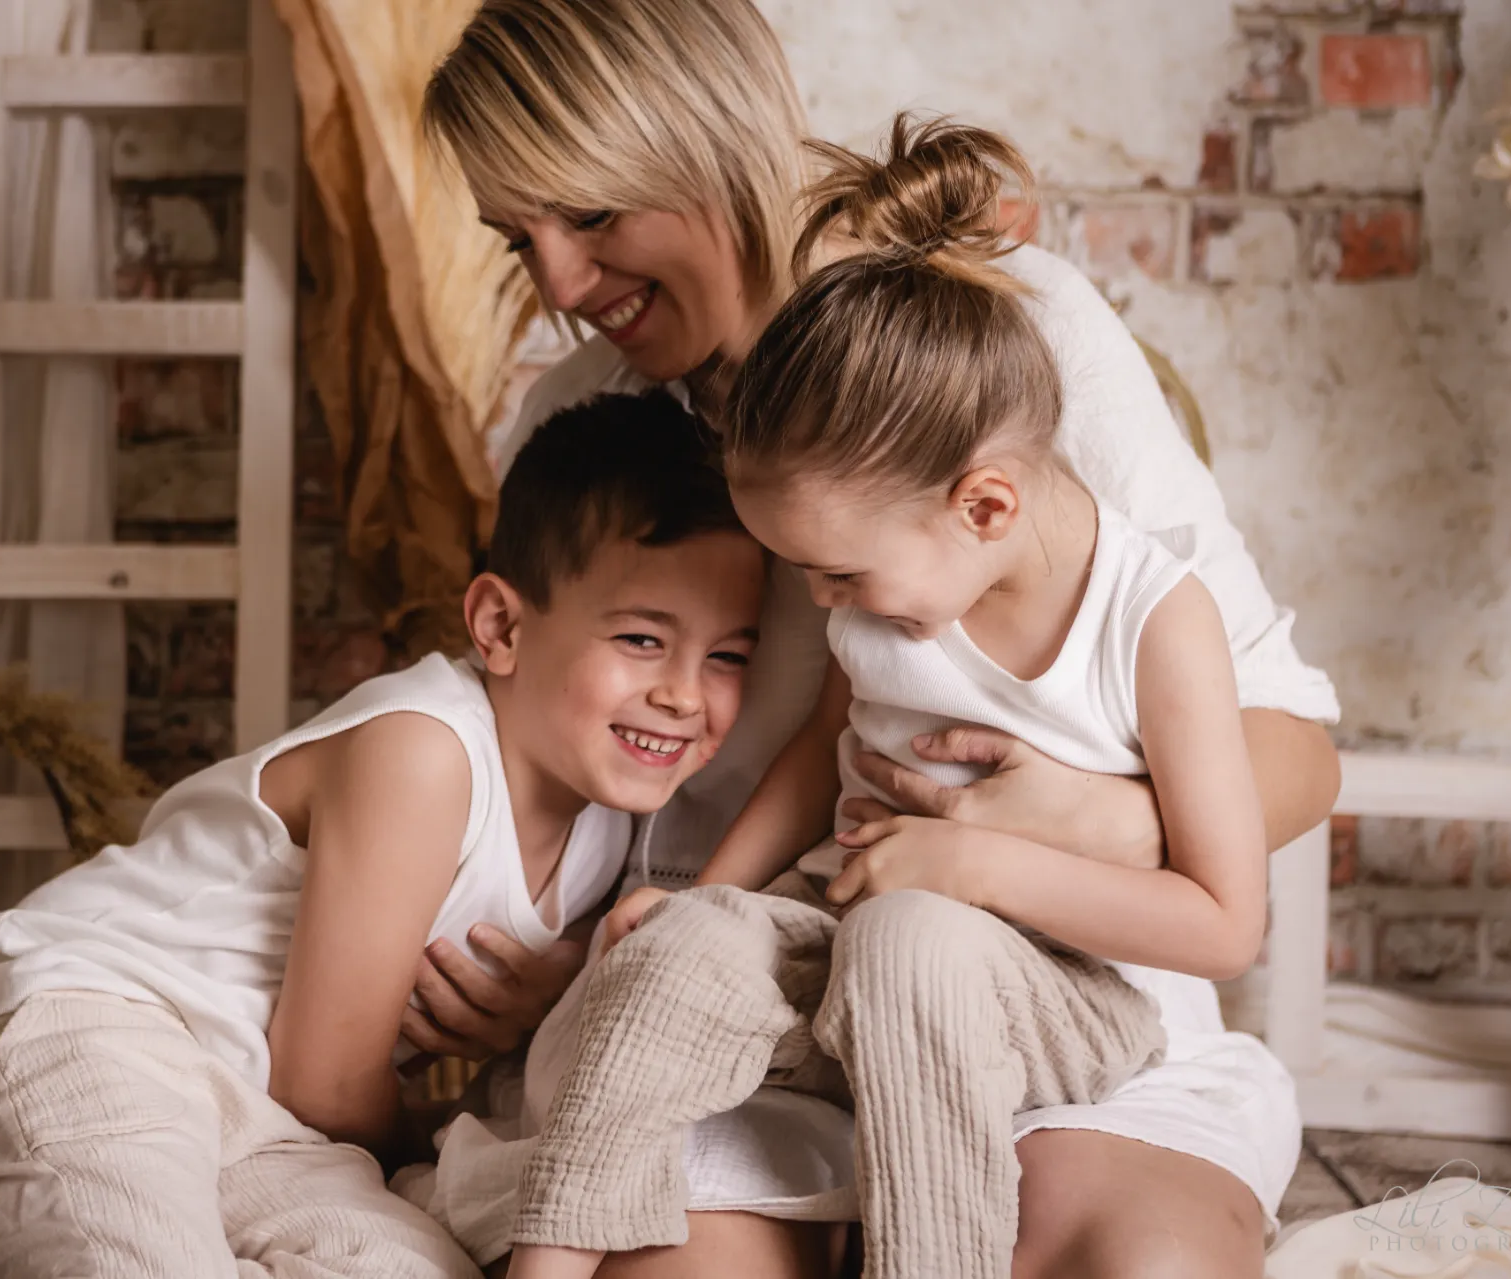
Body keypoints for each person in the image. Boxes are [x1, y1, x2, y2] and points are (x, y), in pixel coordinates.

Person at [415, 2, 1342, 1275]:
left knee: (1128, 1262)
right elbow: (567, 755)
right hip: (757, 989)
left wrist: (1101, 825)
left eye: (590, 216)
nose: (562, 288)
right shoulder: (593, 416)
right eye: (518, 239)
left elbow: (1298, 749)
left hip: (1046, 989)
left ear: (710, 139)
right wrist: (569, 963)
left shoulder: (1005, 336)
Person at [0, 391, 767, 1279]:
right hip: (93, 1030)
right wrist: (437, 1147)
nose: (686, 694)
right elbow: (327, 1078)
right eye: (643, 639)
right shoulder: (424, 750)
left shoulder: (612, 821)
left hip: (276, 1132)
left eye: (728, 655)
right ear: (500, 625)